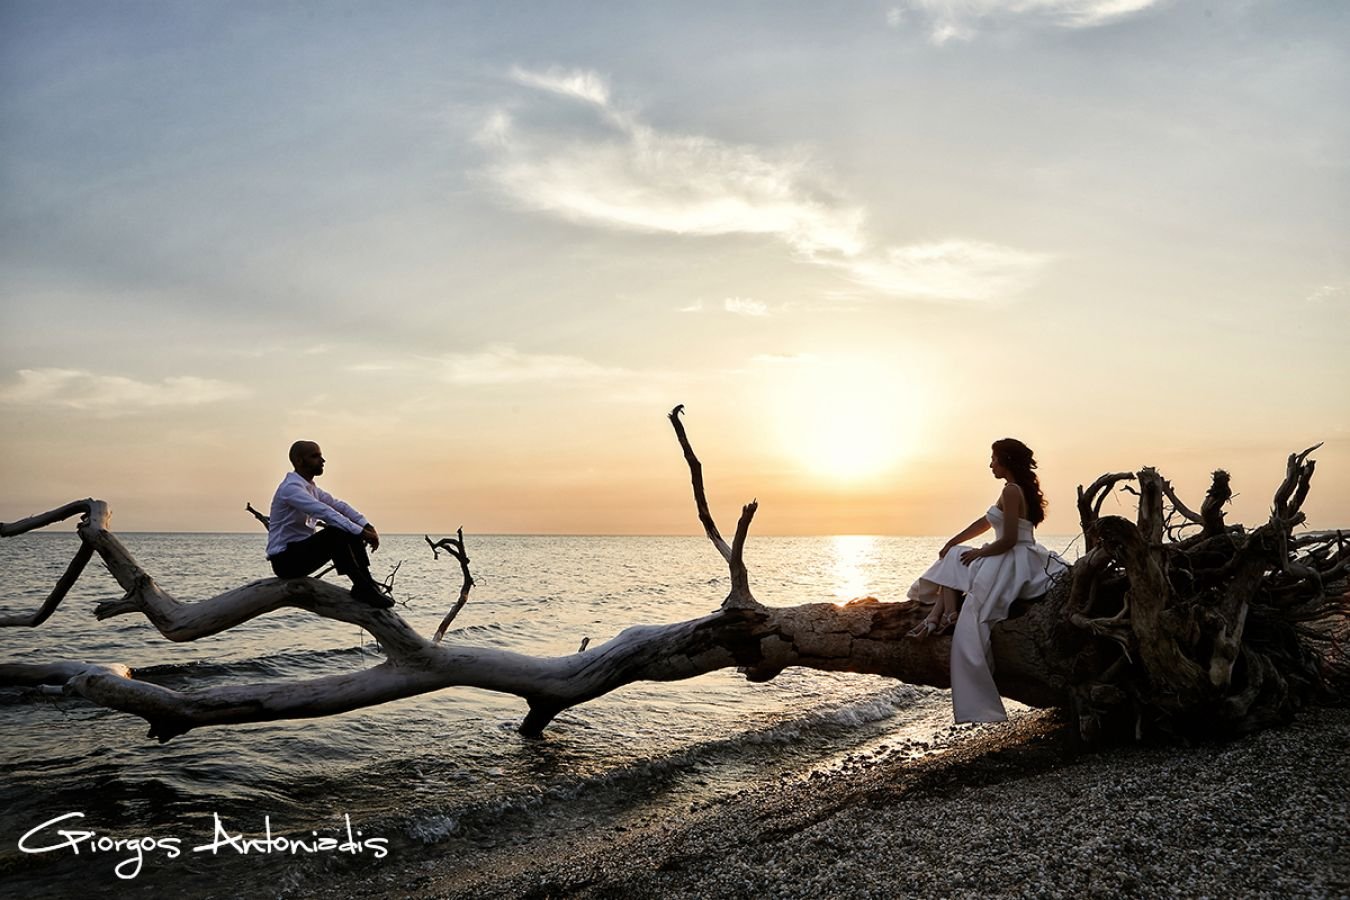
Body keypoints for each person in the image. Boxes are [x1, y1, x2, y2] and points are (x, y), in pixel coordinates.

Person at [906, 438, 1066, 723]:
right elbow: (984, 522)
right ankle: (942, 614)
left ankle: (940, 616)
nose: (990, 464)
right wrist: (954, 540)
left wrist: (980, 552)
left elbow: (1009, 540)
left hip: (1014, 557)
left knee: (959, 566)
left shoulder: (1013, 491)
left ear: (1005, 460)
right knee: (954, 555)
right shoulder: (1010, 491)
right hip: (1009, 553)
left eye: (993, 458)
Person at [266, 440, 392, 608]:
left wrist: (366, 525)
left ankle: (366, 583)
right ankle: (362, 586)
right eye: (315, 456)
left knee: (345, 530)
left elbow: (338, 505)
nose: (322, 460)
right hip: (285, 561)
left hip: (299, 554)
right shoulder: (291, 488)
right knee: (336, 532)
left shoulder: (309, 487)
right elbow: (325, 512)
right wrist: (362, 533)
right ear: (299, 460)